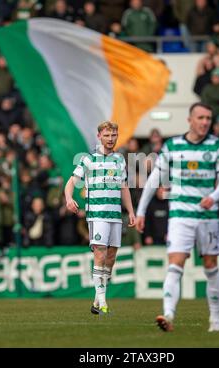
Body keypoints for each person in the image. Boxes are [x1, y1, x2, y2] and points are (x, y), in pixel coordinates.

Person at [136, 103, 219, 332]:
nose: (205, 122)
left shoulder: (216, 145)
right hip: (180, 216)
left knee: (210, 266)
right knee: (175, 265)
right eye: (200, 117)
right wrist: (140, 211)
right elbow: (153, 181)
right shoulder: (172, 146)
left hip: (208, 216)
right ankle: (168, 314)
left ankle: (215, 320)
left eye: (208, 118)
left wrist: (214, 196)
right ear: (189, 120)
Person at [65, 121, 135, 314]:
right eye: (107, 135)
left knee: (111, 258)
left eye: (113, 135)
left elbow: (124, 188)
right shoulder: (88, 159)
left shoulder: (119, 160)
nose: (110, 139)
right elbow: (71, 182)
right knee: (100, 254)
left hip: (115, 215)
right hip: (97, 214)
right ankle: (103, 301)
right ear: (99, 137)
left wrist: (130, 211)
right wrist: (68, 198)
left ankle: (97, 300)